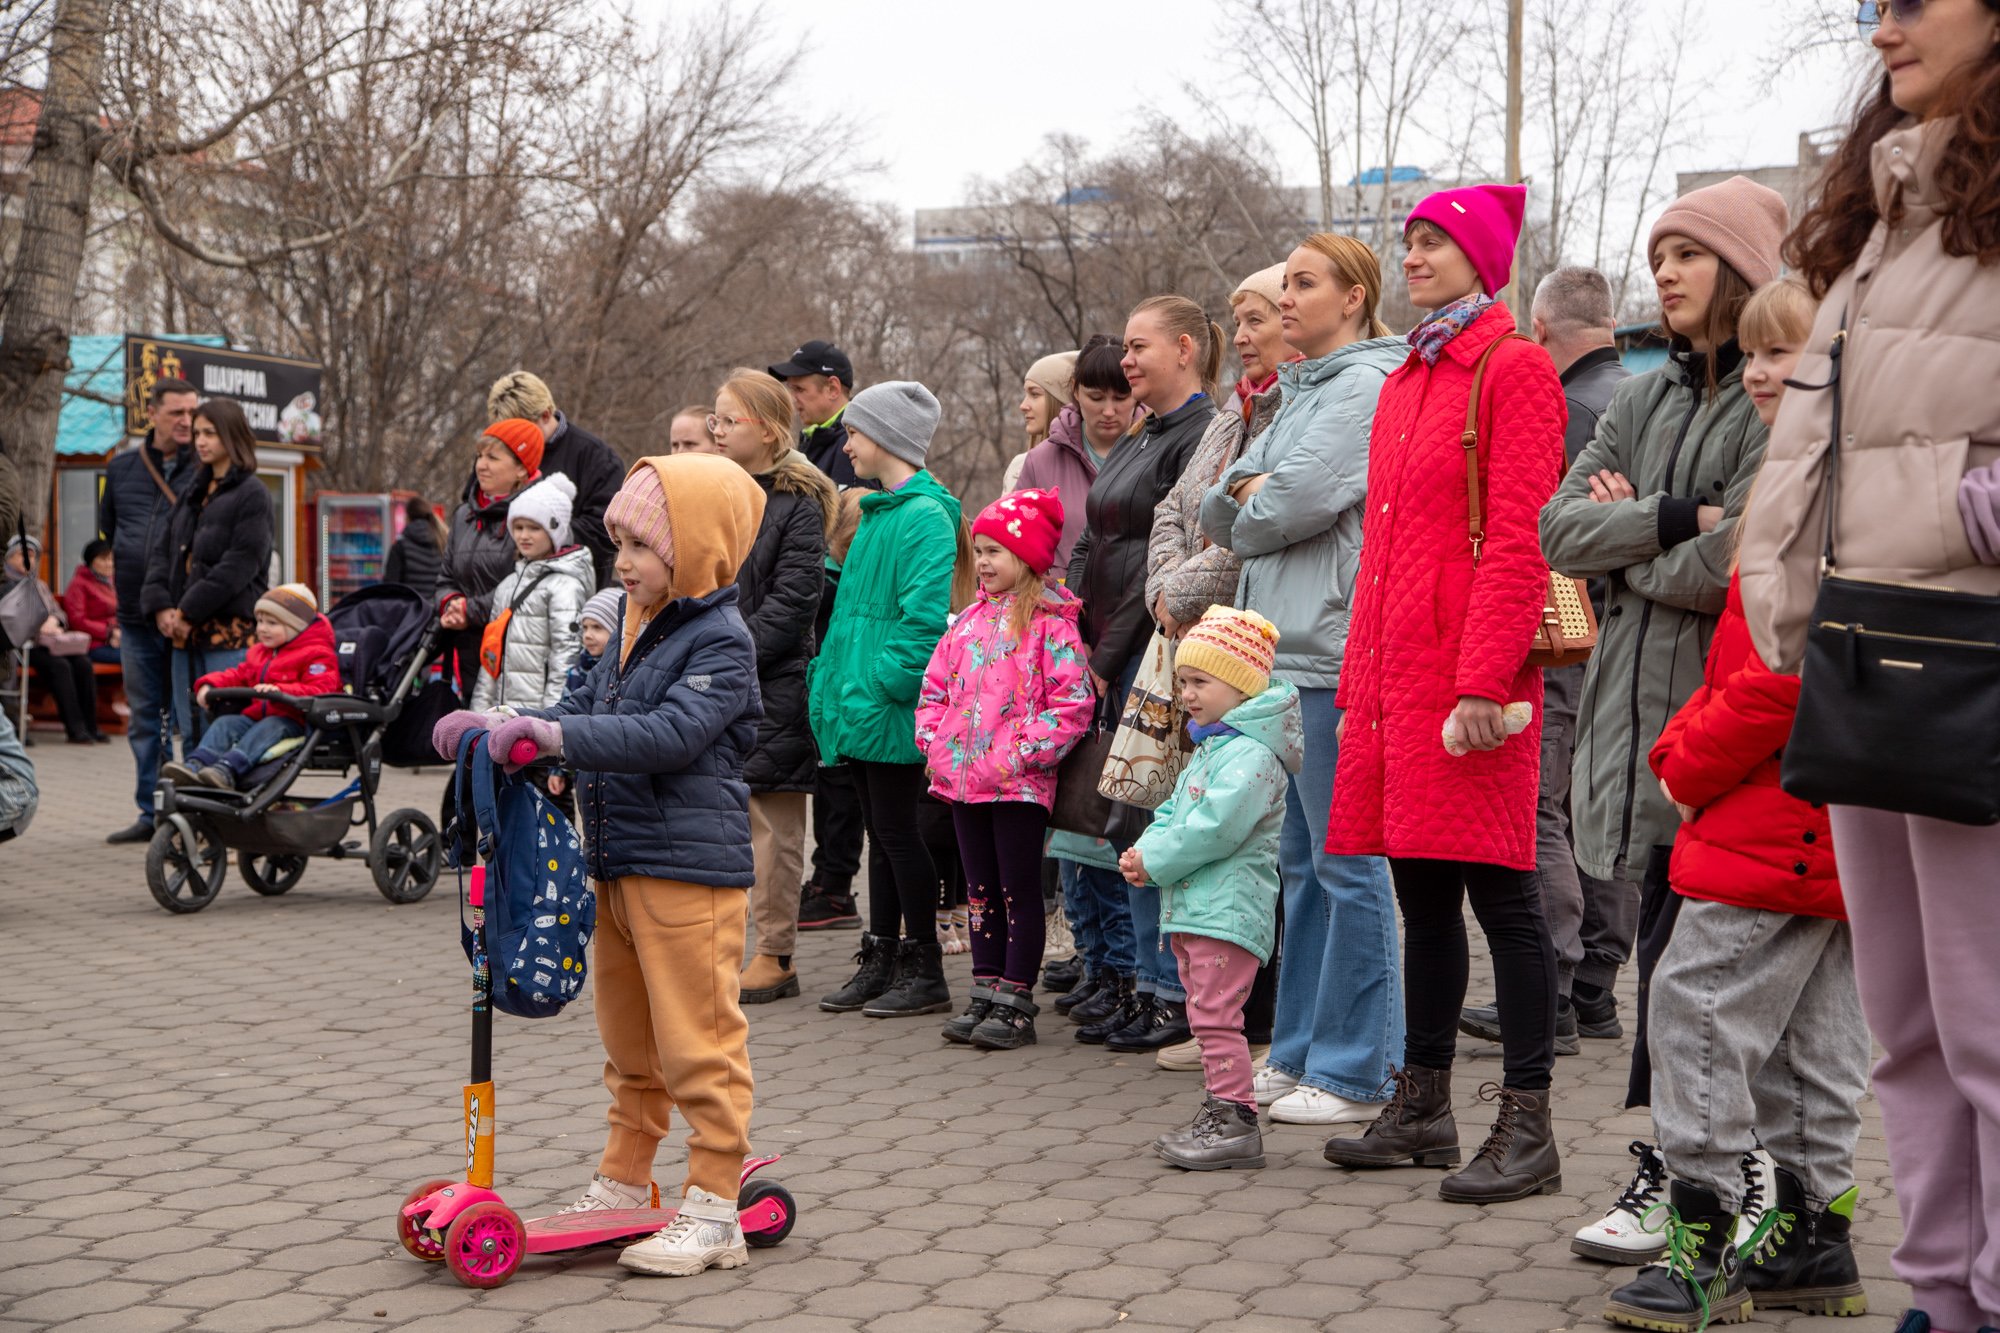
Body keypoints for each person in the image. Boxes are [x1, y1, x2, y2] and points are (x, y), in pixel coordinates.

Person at [1741, 7, 2000, 1331]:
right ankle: (1941, 1295)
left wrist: (1967, 511)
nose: (1882, 23)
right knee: (1906, 1024)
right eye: (1867, 3)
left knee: (1992, 1029)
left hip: (1979, 659)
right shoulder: (1888, 196)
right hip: (1866, 647)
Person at [1600, 275, 1871, 1332]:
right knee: (1812, 1036)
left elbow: (1783, 669)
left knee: (1695, 1010)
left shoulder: (1816, 489)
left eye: (1785, 354)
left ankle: (1701, 1240)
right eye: (1752, 354)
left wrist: (1681, 757)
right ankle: (1812, 1237)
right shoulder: (1818, 476)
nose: (1759, 373)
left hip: (1772, 810)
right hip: (1826, 815)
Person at [433, 453, 766, 1278]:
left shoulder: (721, 640)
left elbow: (666, 736)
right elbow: (578, 710)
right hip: (615, 862)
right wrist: (499, 725)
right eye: (618, 540)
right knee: (629, 1043)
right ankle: (626, 1178)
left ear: (701, 550)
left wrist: (554, 738)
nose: (624, 559)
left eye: (645, 544)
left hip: (689, 872)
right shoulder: (626, 625)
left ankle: (716, 1203)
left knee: (699, 1041)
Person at [1322, 183, 1568, 1205]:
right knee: (1420, 896)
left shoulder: (1513, 370)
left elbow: (1518, 536)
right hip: (1396, 683)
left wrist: (1484, 679)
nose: (1411, 255)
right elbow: (1382, 551)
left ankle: (1528, 1121)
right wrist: (1359, 678)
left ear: (1482, 259)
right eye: (1408, 239)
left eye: (1432, 242)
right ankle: (1422, 1105)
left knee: (1501, 898)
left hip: (1468, 683)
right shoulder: (1408, 377)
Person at [1540, 176, 1787, 1121]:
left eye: (1688, 254)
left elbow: (1744, 560)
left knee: (1702, 973)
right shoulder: (1641, 399)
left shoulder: (1781, 399)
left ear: (1743, 268)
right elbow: (1559, 532)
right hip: (1634, 722)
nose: (1667, 274)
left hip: (1725, 726)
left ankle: (1698, 1173)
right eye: (1658, 259)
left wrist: (1631, 548)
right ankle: (1671, 1162)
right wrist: (1679, 517)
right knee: (1660, 949)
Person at [1201, 233, 1406, 1130]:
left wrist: (1252, 495)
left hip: (1330, 647)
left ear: (1354, 297)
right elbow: (1223, 496)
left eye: (1305, 283)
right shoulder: (1303, 388)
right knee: (1298, 862)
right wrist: (1250, 492)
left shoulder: (1361, 387)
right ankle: (1298, 1049)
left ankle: (1362, 1068)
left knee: (1347, 862)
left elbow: (1284, 503)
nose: (1287, 299)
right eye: (1283, 283)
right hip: (1281, 652)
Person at [1462, 265, 1633, 1055]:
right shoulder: (1643, 398)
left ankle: (1554, 985)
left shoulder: (1566, 409)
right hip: (1630, 632)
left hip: (1563, 632)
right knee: (1604, 804)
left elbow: (1542, 530)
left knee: (1540, 805)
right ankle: (1596, 980)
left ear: (1541, 331)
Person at [1064, 295, 1224, 1055]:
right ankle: (1134, 979)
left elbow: (1159, 564)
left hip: (1150, 647)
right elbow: (1095, 539)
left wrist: (1104, 659)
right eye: (1123, 349)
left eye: (1138, 347)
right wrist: (1071, 626)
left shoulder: (1200, 433)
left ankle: (1170, 992)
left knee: (1154, 815)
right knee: (1122, 813)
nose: (1125, 362)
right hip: (1103, 641)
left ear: (1185, 348)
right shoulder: (1143, 427)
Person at [1122, 607, 1299, 1171]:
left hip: (1227, 909)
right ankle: (1222, 1111)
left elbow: (1215, 828)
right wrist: (1145, 848)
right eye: (1184, 683)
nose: (1188, 694)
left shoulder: (1250, 756)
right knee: (1206, 1015)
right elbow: (1175, 808)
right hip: (1199, 906)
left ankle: (1234, 1120)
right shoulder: (1215, 746)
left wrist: (1158, 861)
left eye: (1200, 682)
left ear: (1242, 686)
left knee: (1218, 1017)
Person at [918, 487, 1094, 1049]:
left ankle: (1016, 998)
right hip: (962, 783)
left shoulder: (1050, 623)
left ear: (1029, 558)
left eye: (998, 551)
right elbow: (934, 690)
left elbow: (1072, 705)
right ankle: (985, 987)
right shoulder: (965, 623)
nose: (986, 562)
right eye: (981, 550)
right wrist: (935, 742)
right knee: (979, 889)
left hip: (1017, 785)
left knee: (1017, 890)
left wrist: (1017, 754)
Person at [807, 381, 961, 1018]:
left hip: (886, 705)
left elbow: (923, 622)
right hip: (859, 702)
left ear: (888, 439)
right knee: (882, 832)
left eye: (855, 433)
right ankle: (881, 955)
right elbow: (849, 618)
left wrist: (878, 686)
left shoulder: (925, 517)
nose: (846, 444)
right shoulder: (876, 514)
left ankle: (923, 966)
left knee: (899, 835)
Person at [708, 369, 837, 1007]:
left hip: (772, 686)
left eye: (728, 420)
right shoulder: (717, 490)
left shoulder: (798, 503)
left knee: (773, 832)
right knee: (721, 824)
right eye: (716, 420)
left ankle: (774, 953)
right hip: (714, 684)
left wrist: (724, 656)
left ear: (766, 426)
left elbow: (793, 604)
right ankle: (725, 947)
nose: (718, 430)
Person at [774, 339, 868, 933]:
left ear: (833, 387)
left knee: (839, 769)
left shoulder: (851, 449)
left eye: (802, 388)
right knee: (822, 760)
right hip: (814, 620)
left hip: (841, 618)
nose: (795, 398)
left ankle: (836, 882)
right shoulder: (806, 445)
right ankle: (826, 874)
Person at [1147, 265, 1288, 638]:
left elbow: (1266, 523)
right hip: (1199, 640)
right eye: (1238, 323)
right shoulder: (1231, 413)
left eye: (1254, 321)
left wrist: (1181, 594)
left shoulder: (1302, 410)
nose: (1239, 337)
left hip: (1262, 637)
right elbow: (1170, 509)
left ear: (1292, 320)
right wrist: (1165, 591)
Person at [140, 397, 274, 754]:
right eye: (198, 433)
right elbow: (162, 552)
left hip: (227, 636)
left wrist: (186, 611)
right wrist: (162, 608)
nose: (200, 441)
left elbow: (240, 565)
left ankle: (229, 808)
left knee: (226, 729)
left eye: (210, 433)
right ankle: (196, 805)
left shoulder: (252, 494)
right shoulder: (193, 492)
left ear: (232, 436)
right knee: (190, 728)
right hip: (183, 635)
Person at [100, 377, 200, 843]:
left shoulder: (205, 467)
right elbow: (110, 531)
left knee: (190, 715)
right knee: (145, 718)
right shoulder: (121, 469)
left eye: (191, 412)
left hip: (188, 617)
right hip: (135, 617)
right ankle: (151, 811)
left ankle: (195, 811)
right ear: (153, 414)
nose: (186, 421)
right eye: (177, 412)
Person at [160, 584, 341, 790]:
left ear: (296, 626)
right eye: (260, 621)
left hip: (294, 720)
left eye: (272, 623)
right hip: (257, 717)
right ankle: (196, 765)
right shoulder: (260, 652)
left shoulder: (317, 654)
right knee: (226, 723)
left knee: (270, 726)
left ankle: (228, 769)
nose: (262, 628)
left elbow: (322, 690)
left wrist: (281, 690)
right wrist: (210, 684)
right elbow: (239, 675)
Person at [438, 419, 545, 706]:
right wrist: (450, 603)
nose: (481, 466)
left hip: (518, 653)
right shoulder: (464, 515)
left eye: (492, 458)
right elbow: (446, 575)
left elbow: (527, 583)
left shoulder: (539, 516)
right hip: (467, 648)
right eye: (479, 456)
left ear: (521, 468)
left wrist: (469, 611)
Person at [486, 371, 625, 588]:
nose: (514, 441)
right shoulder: (497, 456)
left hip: (572, 593)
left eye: (522, 430)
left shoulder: (596, 457)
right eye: (506, 433)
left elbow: (606, 531)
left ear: (545, 415)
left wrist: (547, 535)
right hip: (500, 590)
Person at [469, 472, 592, 715]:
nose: (524, 535)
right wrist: (479, 714)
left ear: (555, 530)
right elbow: (490, 658)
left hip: (536, 719)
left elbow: (565, 659)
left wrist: (550, 720)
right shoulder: (507, 585)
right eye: (518, 527)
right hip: (501, 713)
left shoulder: (564, 587)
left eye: (534, 528)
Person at [1016, 334, 1135, 570]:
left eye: (1121, 398)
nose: (1109, 411)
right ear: (1075, 391)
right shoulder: (1041, 461)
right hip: (1061, 601)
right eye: (1096, 397)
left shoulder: (1162, 447)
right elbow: (1013, 543)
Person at [6, 536, 103, 744]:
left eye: (32, 556)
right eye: (23, 555)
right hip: (22, 647)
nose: (28, 560)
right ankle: (75, 729)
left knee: (83, 664)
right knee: (60, 667)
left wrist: (54, 621)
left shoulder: (38, 584)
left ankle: (91, 726)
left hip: (52, 643)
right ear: (9, 557)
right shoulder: (5, 584)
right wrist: (37, 625)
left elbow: (60, 613)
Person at [768, 340, 859, 489]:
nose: (792, 398)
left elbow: (851, 511)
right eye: (791, 389)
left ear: (832, 389)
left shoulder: (854, 444)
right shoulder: (818, 439)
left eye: (799, 389)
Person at [1001, 351, 1079, 494]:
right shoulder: (1018, 467)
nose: (1023, 405)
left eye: (1035, 394)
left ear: (1061, 400)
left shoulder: (1087, 467)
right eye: (1026, 394)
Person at [62, 539, 122, 666]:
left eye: (112, 559)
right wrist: (109, 632)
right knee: (137, 660)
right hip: (92, 644)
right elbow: (77, 620)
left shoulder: (112, 582)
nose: (109, 564)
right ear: (90, 561)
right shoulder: (78, 584)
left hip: (118, 640)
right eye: (103, 559)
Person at [382, 496, 445, 601]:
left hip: (408, 612)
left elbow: (390, 587)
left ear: (407, 517)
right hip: (435, 611)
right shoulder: (441, 542)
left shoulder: (400, 547)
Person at [569, 587, 620, 695]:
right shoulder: (577, 670)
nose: (587, 635)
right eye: (585, 627)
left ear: (617, 630)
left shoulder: (621, 673)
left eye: (597, 627)